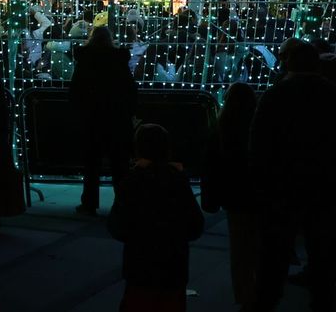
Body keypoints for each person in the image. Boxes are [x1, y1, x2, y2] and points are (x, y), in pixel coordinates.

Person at [249, 39, 336, 310]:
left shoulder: (277, 94)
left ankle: (266, 300)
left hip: (282, 184)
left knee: (274, 252)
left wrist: (261, 181)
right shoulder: (330, 93)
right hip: (323, 183)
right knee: (321, 247)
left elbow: (259, 141)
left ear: (288, 62)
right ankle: (322, 299)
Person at [107, 123, 204, 312]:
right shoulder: (178, 182)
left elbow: (117, 226)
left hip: (140, 269)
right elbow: (195, 226)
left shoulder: (131, 182)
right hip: (173, 269)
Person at [202, 82, 259, 308]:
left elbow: (211, 167)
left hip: (235, 195)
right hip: (259, 193)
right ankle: (258, 291)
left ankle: (243, 295)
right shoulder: (260, 128)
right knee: (257, 245)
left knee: (239, 249)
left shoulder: (221, 129)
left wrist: (211, 197)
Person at [69, 25, 136, 215]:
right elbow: (129, 88)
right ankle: (122, 203)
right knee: (119, 165)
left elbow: (76, 89)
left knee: (91, 164)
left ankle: (89, 202)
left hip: (92, 117)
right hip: (116, 117)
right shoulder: (119, 60)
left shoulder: (85, 60)